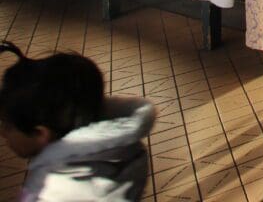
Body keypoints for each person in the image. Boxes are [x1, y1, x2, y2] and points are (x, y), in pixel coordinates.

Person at [0, 41, 155, 201]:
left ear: (40, 133)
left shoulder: (50, 192)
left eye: (7, 125)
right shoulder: (126, 149)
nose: (2, 133)